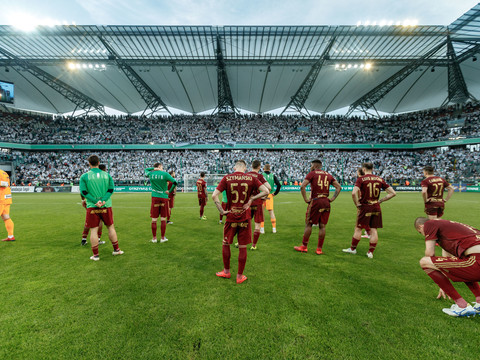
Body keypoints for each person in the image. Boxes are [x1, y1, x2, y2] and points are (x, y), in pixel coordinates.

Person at [212, 160, 269, 284]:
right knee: (242, 247)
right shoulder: (250, 178)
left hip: (231, 216)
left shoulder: (227, 178)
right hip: (245, 217)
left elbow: (214, 195)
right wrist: (252, 199)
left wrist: (221, 211)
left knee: (226, 243)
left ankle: (226, 272)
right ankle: (239, 276)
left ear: (234, 167)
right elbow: (266, 191)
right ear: (245, 168)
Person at [414, 217, 480, 317]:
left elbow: (430, 253)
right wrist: (443, 284)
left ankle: (462, 306)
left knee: (424, 261)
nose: (423, 235)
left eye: (420, 232)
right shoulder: (448, 228)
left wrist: (442, 282)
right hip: (474, 258)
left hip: (477, 260)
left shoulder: (430, 224)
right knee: (460, 263)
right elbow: (448, 262)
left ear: (421, 226)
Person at [343, 162, 396, 258]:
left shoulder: (361, 179)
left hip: (365, 206)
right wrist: (381, 200)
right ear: (373, 169)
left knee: (358, 228)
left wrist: (357, 204)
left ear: (363, 169)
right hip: (376, 206)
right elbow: (393, 193)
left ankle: (353, 249)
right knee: (374, 230)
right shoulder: (379, 179)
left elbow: (353, 193)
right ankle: (370, 252)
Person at [79, 155, 123, 261]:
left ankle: (96, 255)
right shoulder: (107, 175)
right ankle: (116, 250)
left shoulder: (84, 176)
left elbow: (83, 192)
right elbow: (111, 189)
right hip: (106, 205)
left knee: (93, 230)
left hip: (92, 206)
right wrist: (103, 200)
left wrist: (95, 201)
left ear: (89, 163)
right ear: (98, 162)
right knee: (110, 227)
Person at [294, 159, 341, 255]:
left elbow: (302, 186)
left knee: (309, 224)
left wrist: (305, 199)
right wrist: (332, 199)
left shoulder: (312, 174)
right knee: (322, 226)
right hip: (326, 201)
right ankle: (319, 249)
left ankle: (304, 246)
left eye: (311, 165)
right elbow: (338, 187)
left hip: (316, 201)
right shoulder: (328, 174)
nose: (310, 167)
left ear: (315, 166)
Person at [145, 163, 177, 243]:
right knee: (163, 218)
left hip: (155, 197)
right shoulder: (165, 174)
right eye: (162, 167)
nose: (163, 168)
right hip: (164, 197)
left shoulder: (151, 174)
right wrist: (169, 191)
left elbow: (146, 170)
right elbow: (175, 182)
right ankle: (162, 238)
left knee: (154, 219)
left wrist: (154, 168)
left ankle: (154, 238)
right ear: (159, 166)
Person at [247, 160, 271, 250]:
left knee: (246, 222)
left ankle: (241, 241)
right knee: (257, 225)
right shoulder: (260, 176)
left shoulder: (246, 175)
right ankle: (253, 245)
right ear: (259, 167)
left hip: (248, 202)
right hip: (257, 202)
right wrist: (264, 196)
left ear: (251, 166)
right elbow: (269, 187)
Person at [81, 164, 106, 246]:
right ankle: (97, 239)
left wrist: (83, 199)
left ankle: (83, 239)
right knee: (99, 221)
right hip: (98, 203)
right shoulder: (102, 178)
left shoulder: (88, 177)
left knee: (88, 221)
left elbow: (83, 190)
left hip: (89, 203)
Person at [261, 164, 281, 233]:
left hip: (262, 195)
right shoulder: (273, 175)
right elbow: (279, 184)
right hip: (270, 195)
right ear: (269, 169)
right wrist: (275, 193)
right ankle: (274, 228)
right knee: (271, 212)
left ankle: (262, 229)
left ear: (264, 168)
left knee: (261, 212)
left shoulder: (261, 175)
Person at [0, 169, 14, 241]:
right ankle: (11, 236)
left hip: (1, 198)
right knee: (6, 217)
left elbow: (5, 184)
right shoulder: (4, 172)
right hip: (6, 197)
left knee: (6, 217)